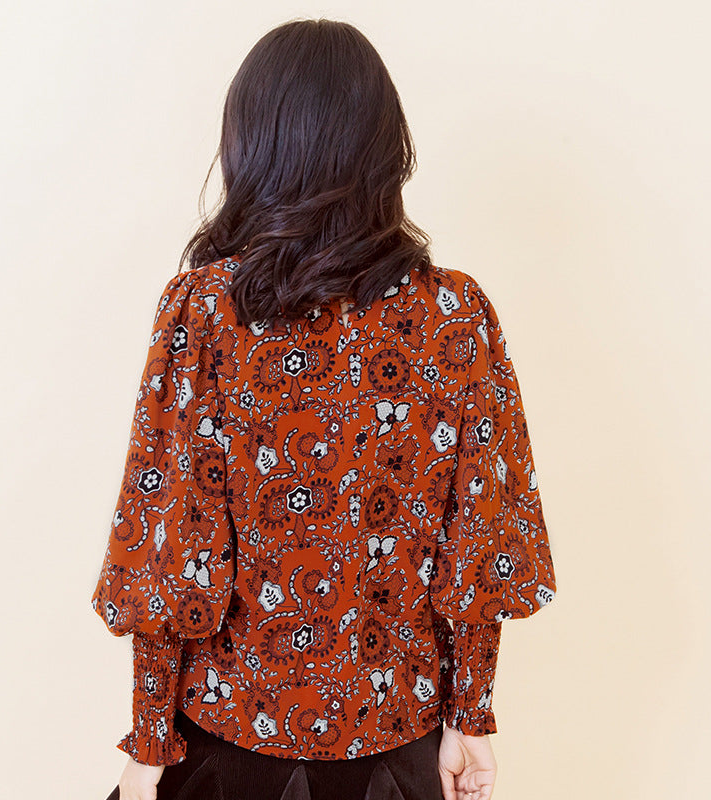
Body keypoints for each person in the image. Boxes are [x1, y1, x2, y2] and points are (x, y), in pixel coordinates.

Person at [91, 17, 557, 800]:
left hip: (226, 745)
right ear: (383, 149)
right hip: (397, 748)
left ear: (252, 144)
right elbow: (483, 540)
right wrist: (469, 718)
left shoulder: (204, 313)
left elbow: (169, 545)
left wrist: (148, 741)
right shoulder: (455, 316)